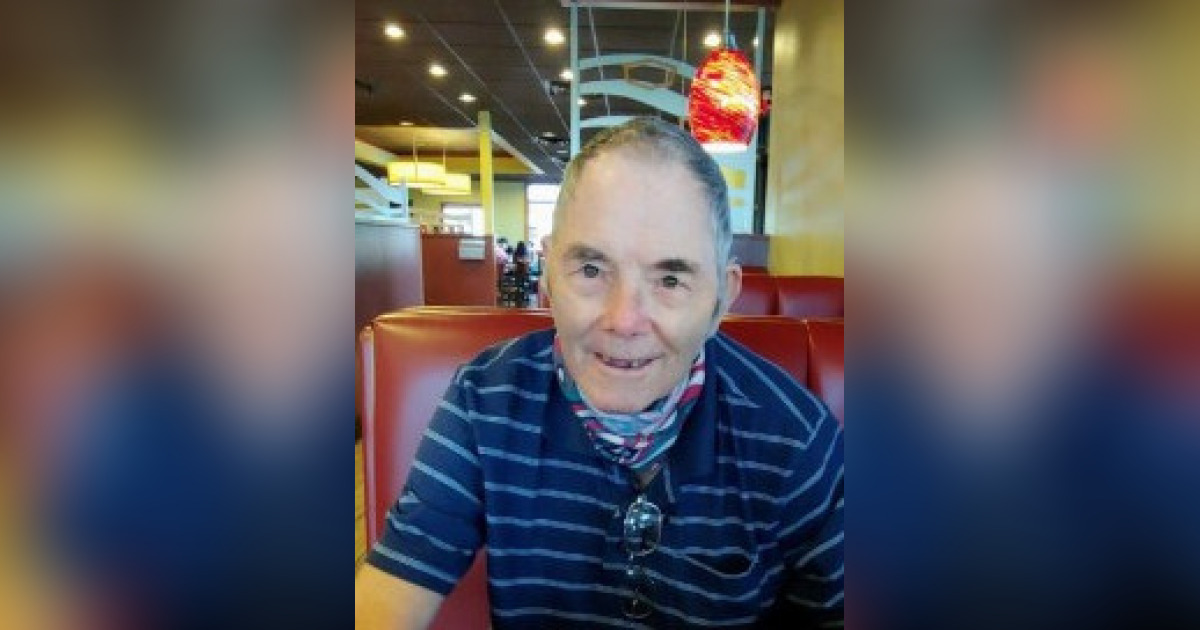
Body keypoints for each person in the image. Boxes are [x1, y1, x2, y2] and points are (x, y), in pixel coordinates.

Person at [355, 117, 844, 629]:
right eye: (591, 269)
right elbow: (393, 586)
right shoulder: (483, 401)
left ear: (721, 298)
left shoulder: (797, 441)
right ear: (548, 274)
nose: (623, 321)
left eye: (670, 280)